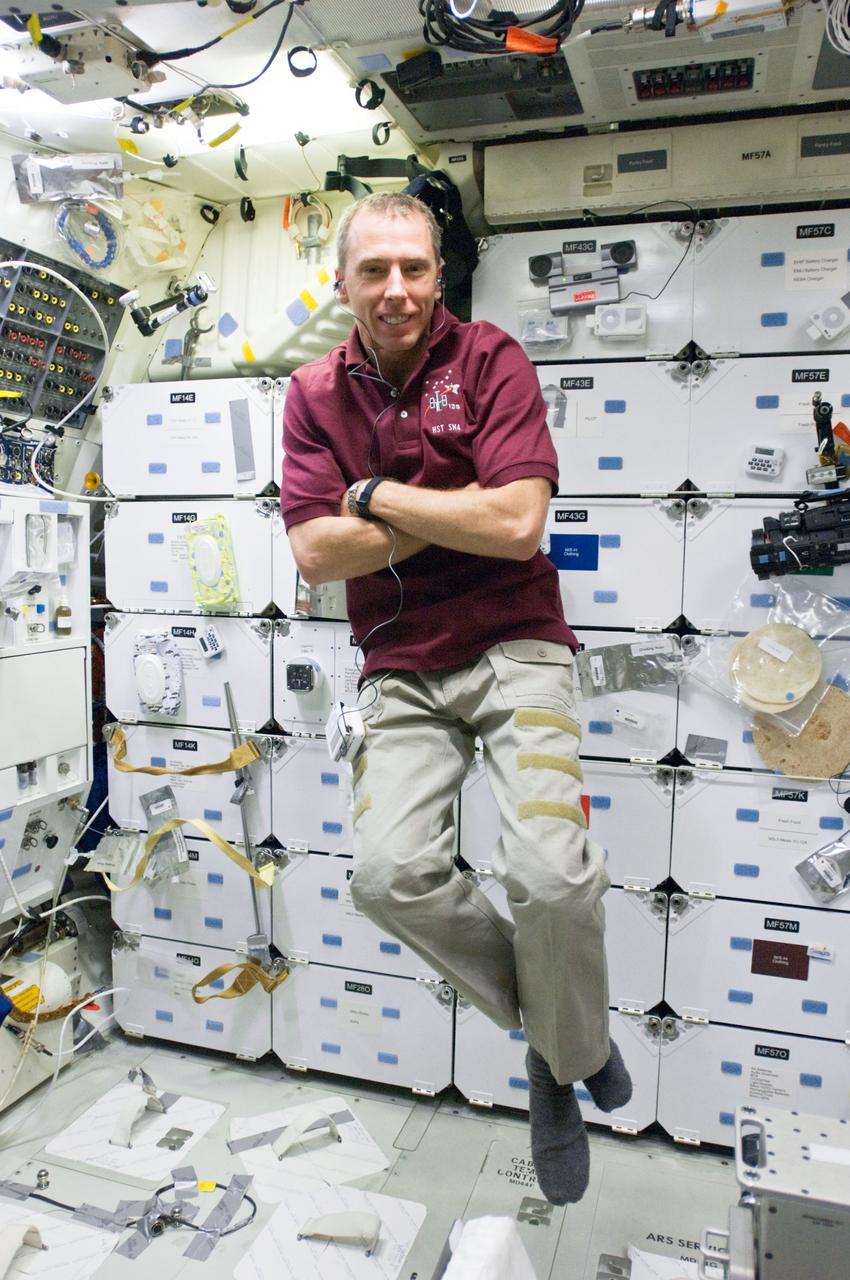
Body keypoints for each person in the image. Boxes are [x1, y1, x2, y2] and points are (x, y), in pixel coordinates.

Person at [281, 191, 631, 1205]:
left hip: (517, 644)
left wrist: (374, 497)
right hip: (398, 660)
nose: (395, 290)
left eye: (414, 269)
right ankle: (568, 1035)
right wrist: (455, 507)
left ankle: (552, 1067)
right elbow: (315, 555)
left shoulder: (490, 360)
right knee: (388, 877)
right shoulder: (311, 394)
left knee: (550, 878)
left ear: (440, 276)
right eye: (374, 270)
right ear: (341, 283)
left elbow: (518, 526)